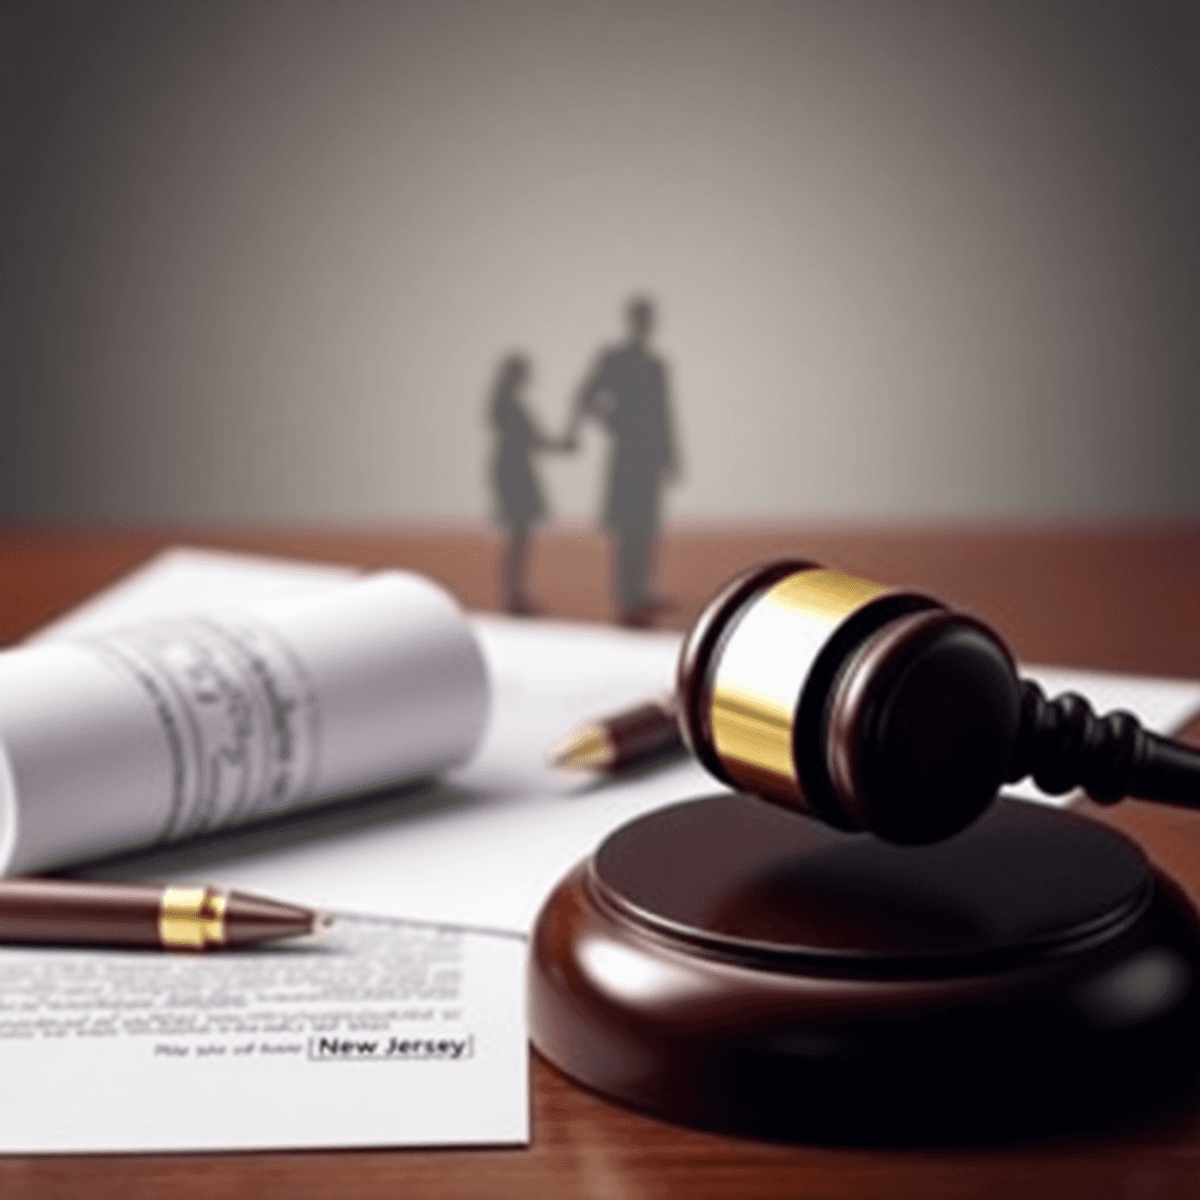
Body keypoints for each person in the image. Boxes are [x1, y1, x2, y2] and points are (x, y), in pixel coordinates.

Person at [564, 298, 679, 626]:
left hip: (649, 455)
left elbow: (664, 413)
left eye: (649, 318)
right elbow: (585, 397)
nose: (646, 324)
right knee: (628, 525)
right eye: (643, 318)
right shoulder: (614, 359)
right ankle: (626, 596)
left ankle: (640, 591)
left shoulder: (656, 365)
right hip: (627, 453)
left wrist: (670, 454)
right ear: (632, 320)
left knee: (646, 525)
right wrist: (612, 422)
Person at [487, 353, 560, 615]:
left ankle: (515, 592)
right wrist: (562, 445)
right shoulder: (510, 405)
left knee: (519, 535)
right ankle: (514, 594)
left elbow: (533, 439)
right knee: (520, 535)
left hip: (511, 469)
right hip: (515, 471)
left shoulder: (504, 403)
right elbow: (533, 439)